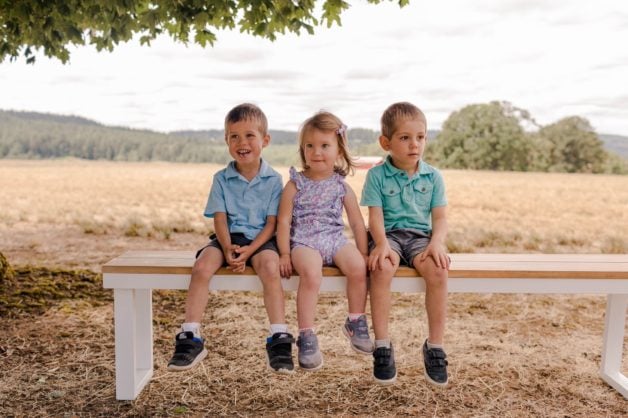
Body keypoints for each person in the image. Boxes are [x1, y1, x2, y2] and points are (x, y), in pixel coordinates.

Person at [167, 103, 294, 374]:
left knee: (270, 268)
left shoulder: (274, 180)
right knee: (201, 266)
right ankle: (191, 335)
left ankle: (279, 337)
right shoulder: (222, 179)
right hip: (228, 237)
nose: (242, 142)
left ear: (265, 140)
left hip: (262, 240)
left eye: (249, 135)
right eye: (234, 136)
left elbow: (272, 223)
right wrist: (226, 248)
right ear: (226, 141)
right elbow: (220, 218)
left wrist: (249, 252)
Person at [360, 102, 450, 386]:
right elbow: (374, 217)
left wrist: (437, 243)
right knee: (381, 269)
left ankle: (435, 347)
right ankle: (383, 346)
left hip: (421, 238)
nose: (414, 144)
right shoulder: (376, 175)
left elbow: (440, 218)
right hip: (388, 236)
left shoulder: (433, 176)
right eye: (405, 138)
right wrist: (381, 244)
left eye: (420, 137)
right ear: (386, 142)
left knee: (437, 270)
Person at [276, 111, 373, 371]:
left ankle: (355, 320)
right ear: (302, 149)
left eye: (324, 145)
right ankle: (306, 335)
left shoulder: (341, 186)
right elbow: (283, 222)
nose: (316, 152)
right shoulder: (295, 184)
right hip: (304, 242)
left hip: (333, 239)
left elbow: (355, 223)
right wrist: (285, 254)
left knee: (357, 268)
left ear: (339, 150)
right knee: (311, 273)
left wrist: (363, 253)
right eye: (310, 146)